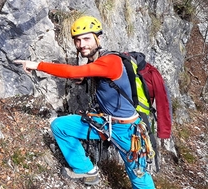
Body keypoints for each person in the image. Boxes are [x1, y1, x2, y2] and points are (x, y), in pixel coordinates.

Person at [14, 16, 155, 188]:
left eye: (87, 38)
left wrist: (37, 65)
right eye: (78, 40)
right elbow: (85, 74)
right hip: (104, 123)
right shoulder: (96, 60)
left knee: (140, 179)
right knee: (61, 126)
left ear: (98, 38)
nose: (82, 44)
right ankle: (86, 170)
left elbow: (75, 72)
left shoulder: (111, 61)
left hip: (127, 130)